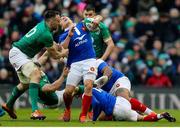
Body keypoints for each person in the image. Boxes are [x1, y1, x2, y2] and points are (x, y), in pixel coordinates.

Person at [2, 10, 68, 120]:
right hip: (19, 54)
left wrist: (59, 47)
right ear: (51, 21)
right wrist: (64, 53)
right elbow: (54, 55)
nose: (59, 23)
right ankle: (34, 111)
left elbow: (51, 45)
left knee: (26, 84)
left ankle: (8, 104)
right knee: (36, 74)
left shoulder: (44, 26)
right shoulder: (46, 34)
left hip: (24, 55)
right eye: (57, 21)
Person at [58, 16, 102, 122]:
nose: (63, 18)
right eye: (61, 20)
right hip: (75, 64)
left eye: (65, 17)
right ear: (61, 26)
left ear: (70, 19)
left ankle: (83, 115)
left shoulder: (82, 24)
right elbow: (63, 48)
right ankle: (68, 109)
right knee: (68, 92)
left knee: (89, 85)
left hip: (89, 60)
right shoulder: (62, 36)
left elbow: (96, 20)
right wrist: (69, 35)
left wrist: (97, 20)